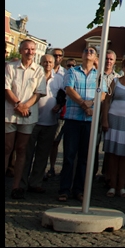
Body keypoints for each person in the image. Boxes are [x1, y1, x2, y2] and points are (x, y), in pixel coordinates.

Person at [57, 46, 102, 202]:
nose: (88, 53)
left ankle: (79, 189)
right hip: (73, 119)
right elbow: (69, 89)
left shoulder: (99, 74)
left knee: (85, 157)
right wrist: (84, 104)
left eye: (91, 51)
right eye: (85, 51)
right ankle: (64, 189)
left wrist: (92, 103)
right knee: (69, 155)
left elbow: (102, 94)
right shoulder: (72, 72)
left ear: (96, 57)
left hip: (90, 120)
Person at [5, 39, 47, 199]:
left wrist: (25, 106)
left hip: (27, 115)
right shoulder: (11, 67)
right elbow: (7, 87)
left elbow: (38, 92)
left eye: (32, 49)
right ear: (21, 50)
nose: (30, 52)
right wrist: (17, 104)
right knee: (7, 148)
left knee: (22, 149)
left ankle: (17, 186)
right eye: (27, 49)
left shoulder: (38, 70)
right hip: (10, 112)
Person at [19, 53, 65, 193]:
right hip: (31, 120)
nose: (48, 64)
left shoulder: (59, 79)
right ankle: (22, 183)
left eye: (50, 62)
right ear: (41, 62)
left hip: (50, 121)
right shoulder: (36, 75)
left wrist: (59, 104)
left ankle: (36, 182)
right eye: (45, 62)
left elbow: (62, 96)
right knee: (27, 153)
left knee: (42, 155)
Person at [102, 51, 125, 198]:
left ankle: (122, 186)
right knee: (113, 154)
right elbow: (107, 101)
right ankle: (112, 185)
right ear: (122, 66)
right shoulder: (115, 81)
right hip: (114, 120)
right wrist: (104, 119)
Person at [98, 49, 119, 189]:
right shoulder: (96, 75)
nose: (108, 61)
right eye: (106, 58)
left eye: (111, 59)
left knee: (109, 146)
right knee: (92, 146)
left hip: (110, 114)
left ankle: (107, 175)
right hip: (93, 113)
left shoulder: (117, 78)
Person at [47, 48, 68, 180]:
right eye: (55, 55)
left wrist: (59, 105)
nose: (57, 57)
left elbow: (65, 93)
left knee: (55, 142)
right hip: (42, 112)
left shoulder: (64, 73)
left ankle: (52, 167)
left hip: (59, 113)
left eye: (60, 55)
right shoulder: (43, 70)